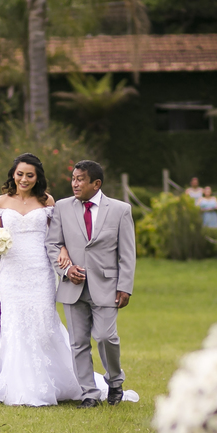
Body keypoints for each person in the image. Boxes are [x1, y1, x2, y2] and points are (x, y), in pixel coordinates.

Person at [0, 154, 82, 407]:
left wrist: (64, 251)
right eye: (20, 174)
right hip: (12, 272)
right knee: (14, 325)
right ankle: (18, 385)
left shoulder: (47, 201)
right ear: (13, 174)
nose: (24, 179)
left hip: (40, 269)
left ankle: (56, 381)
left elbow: (57, 234)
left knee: (43, 324)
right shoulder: (0, 202)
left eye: (30, 175)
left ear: (37, 178)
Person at [47, 160, 136, 408]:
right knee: (78, 343)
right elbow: (52, 244)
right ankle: (89, 393)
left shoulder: (120, 210)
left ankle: (115, 382)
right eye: (73, 178)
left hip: (107, 285)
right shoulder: (62, 207)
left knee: (107, 337)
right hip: (72, 287)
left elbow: (127, 253)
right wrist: (65, 269)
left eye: (80, 179)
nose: (75, 183)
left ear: (96, 183)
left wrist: (125, 286)